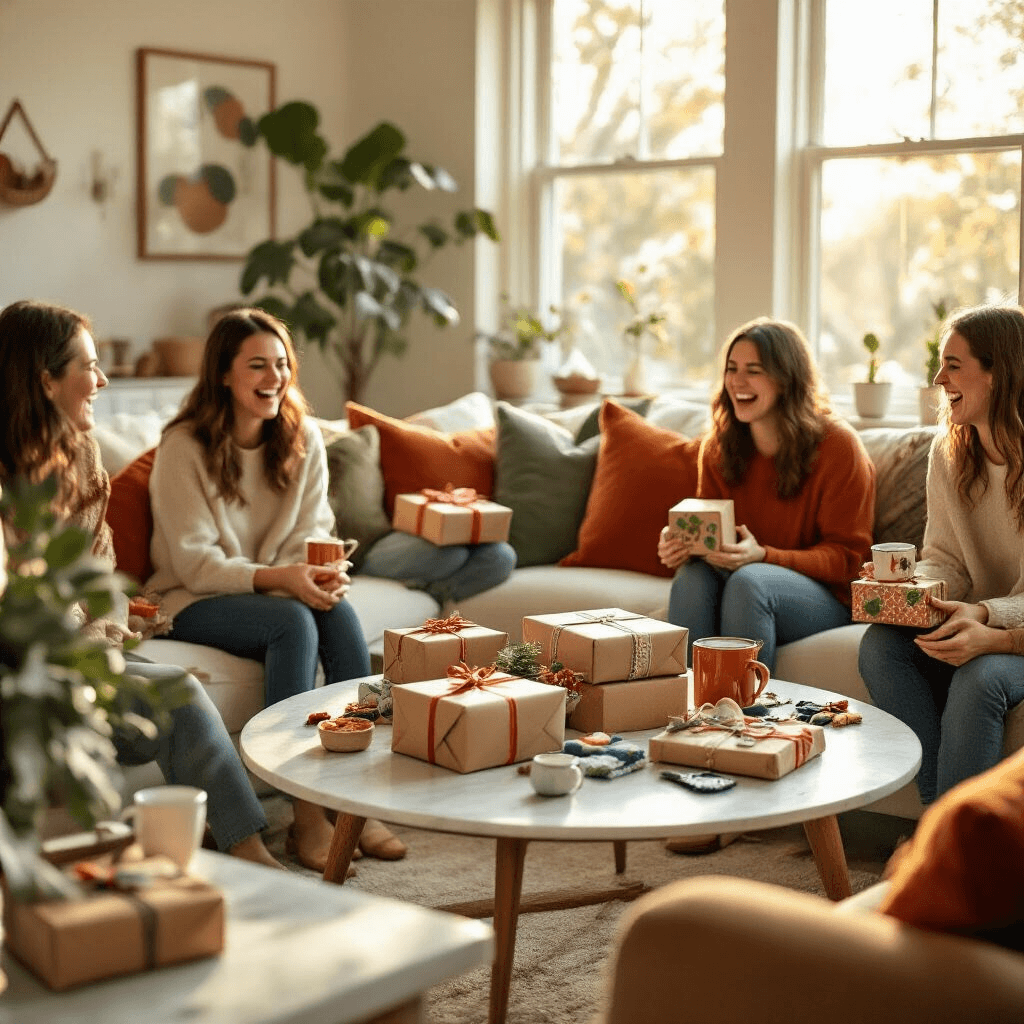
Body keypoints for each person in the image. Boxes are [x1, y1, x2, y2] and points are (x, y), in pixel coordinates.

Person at [0, 299, 282, 869]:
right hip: (26, 673)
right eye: (90, 366)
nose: (102, 380)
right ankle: (247, 852)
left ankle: (244, 845)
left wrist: (108, 628)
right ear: (45, 379)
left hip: (83, 655)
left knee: (178, 688)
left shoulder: (79, 456)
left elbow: (98, 564)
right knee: (178, 691)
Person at [145, 308, 405, 871]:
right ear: (223, 374)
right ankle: (306, 816)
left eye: (282, 363)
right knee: (292, 622)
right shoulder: (182, 446)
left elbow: (312, 531)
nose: (275, 376)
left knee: (338, 616)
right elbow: (194, 564)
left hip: (271, 591)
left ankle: (356, 801)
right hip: (191, 600)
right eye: (257, 365)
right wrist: (284, 580)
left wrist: (313, 574)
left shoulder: (304, 436)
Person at [858, 303, 1024, 806]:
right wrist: (906, 584)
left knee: (981, 677)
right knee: (880, 645)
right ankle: (940, 828)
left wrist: (986, 618)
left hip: (1011, 631)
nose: (938, 377)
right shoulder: (949, 451)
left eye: (953, 365)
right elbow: (945, 558)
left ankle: (946, 853)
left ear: (998, 374)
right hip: (974, 618)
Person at [658, 317, 876, 672]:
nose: (737, 381)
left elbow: (847, 560)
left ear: (786, 380)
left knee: (750, 581)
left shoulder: (839, 446)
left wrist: (763, 556)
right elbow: (712, 535)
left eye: (753, 370)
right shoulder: (718, 447)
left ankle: (750, 721)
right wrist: (681, 542)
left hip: (826, 596)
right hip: (745, 579)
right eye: (732, 368)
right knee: (692, 578)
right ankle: (689, 714)